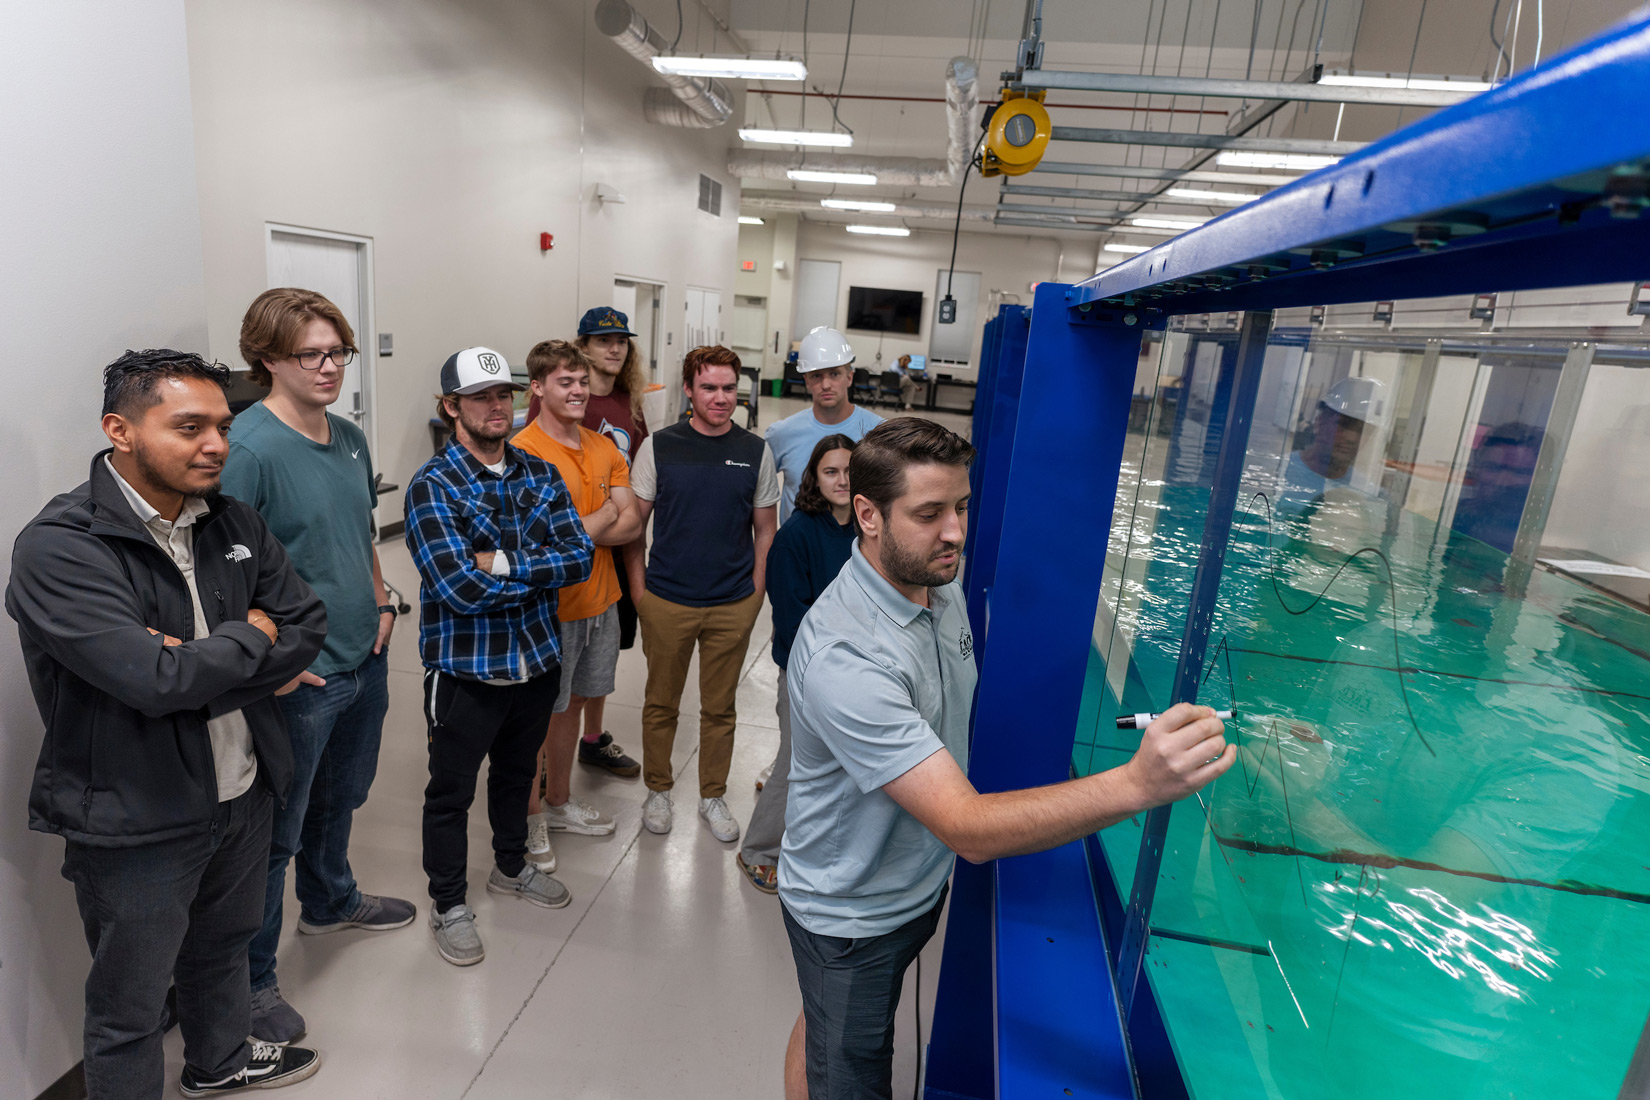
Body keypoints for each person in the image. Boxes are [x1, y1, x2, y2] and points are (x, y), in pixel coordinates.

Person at [777, 418, 1235, 1099]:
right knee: (846, 1061)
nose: (956, 532)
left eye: (961, 506)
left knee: (826, 1023)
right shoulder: (846, 657)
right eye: (929, 514)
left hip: (908, 880)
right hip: (851, 913)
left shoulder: (937, 580)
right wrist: (1138, 783)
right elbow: (967, 830)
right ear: (867, 516)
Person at [7, 349, 328, 1097]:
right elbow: (154, 680)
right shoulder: (60, 547)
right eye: (189, 427)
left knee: (224, 950)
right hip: (137, 816)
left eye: (221, 424)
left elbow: (306, 622)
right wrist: (252, 636)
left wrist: (200, 664)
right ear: (120, 429)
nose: (216, 443)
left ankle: (218, 1065)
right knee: (131, 1007)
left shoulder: (231, 519)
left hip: (242, 791)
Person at [222, 288, 415, 1045]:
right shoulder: (248, 450)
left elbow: (360, 530)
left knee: (346, 796)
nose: (331, 366)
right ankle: (252, 979)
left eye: (339, 351)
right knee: (276, 833)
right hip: (299, 675)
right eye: (313, 353)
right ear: (268, 358)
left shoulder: (348, 436)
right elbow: (220, 572)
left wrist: (382, 601)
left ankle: (332, 900)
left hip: (363, 657)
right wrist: (269, 662)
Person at [404, 346, 594, 966]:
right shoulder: (433, 486)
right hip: (466, 672)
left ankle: (510, 866)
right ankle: (449, 903)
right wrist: (529, 573)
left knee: (518, 776)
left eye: (504, 394)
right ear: (451, 406)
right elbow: (459, 587)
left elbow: (579, 559)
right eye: (481, 396)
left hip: (536, 663)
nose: (496, 406)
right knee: (450, 793)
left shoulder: (538, 474)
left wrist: (504, 562)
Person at [631, 345, 780, 841]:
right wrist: (641, 594)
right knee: (661, 703)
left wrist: (754, 594)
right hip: (667, 599)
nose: (721, 398)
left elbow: (766, 530)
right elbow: (634, 527)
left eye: (729, 389)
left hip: (731, 602)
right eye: (709, 388)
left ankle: (712, 797)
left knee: (720, 709)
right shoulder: (659, 446)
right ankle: (658, 789)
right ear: (689, 391)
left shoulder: (757, 451)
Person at [511, 339, 643, 871]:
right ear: (538, 387)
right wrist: (602, 517)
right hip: (548, 610)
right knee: (535, 717)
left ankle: (560, 801)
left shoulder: (603, 446)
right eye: (565, 382)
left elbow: (632, 521)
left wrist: (581, 530)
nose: (578, 391)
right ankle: (530, 816)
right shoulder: (523, 452)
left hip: (600, 602)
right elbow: (537, 543)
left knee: (570, 709)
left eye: (582, 381)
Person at [736, 434, 857, 895]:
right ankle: (759, 851)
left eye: (850, 470)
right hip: (807, 672)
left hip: (856, 671)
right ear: (814, 478)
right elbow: (792, 622)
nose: (842, 480)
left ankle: (817, 846)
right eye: (831, 471)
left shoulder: (868, 531)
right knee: (794, 762)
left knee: (840, 765)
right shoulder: (795, 537)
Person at [572, 306, 650, 778]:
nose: (615, 347)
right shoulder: (568, 400)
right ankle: (545, 752)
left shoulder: (630, 402)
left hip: (620, 547)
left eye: (621, 340)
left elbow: (642, 475)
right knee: (567, 659)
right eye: (603, 341)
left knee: (607, 649)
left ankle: (592, 738)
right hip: (575, 546)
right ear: (582, 347)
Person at [765, 326, 881, 526]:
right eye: (816, 375)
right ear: (806, 381)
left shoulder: (879, 432)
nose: (826, 384)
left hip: (858, 551)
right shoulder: (781, 434)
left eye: (834, 374)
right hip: (799, 550)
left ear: (849, 377)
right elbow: (760, 492)